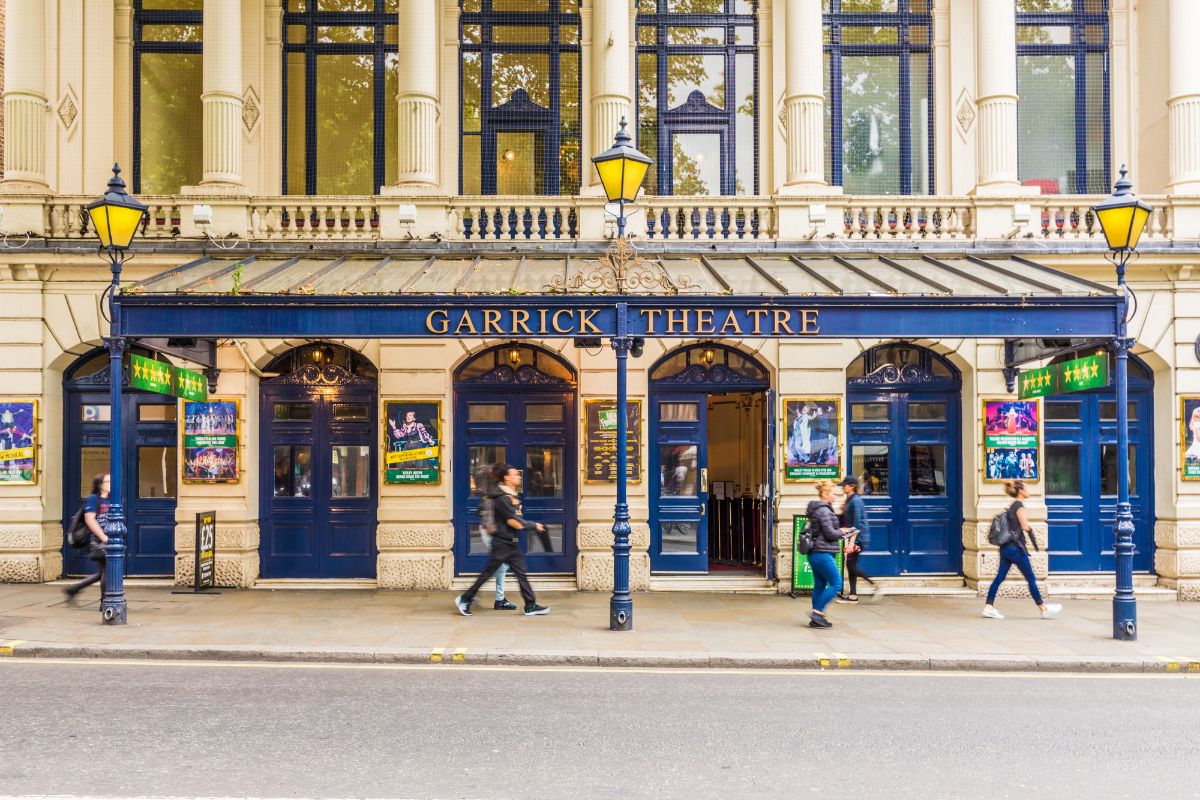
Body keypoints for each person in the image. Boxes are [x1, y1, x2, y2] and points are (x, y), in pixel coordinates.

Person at [456, 463, 549, 617]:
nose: (518, 477)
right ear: (507, 478)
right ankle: (465, 599)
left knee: (520, 573)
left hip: (510, 542)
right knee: (488, 574)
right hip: (502, 543)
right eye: (515, 474)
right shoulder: (502, 498)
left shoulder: (509, 495)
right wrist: (533, 525)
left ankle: (530, 605)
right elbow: (513, 521)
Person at [982, 479, 1063, 620]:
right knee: (1031, 578)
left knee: (999, 577)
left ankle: (988, 607)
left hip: (1006, 548)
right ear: (1020, 491)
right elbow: (1025, 526)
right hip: (1015, 549)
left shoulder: (1012, 506)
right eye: (1026, 488)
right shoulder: (1019, 506)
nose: (1028, 491)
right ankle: (1043, 609)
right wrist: (1030, 531)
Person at [806, 479, 852, 629]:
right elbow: (830, 533)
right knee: (837, 583)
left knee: (820, 585)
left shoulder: (820, 509)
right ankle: (817, 613)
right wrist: (842, 531)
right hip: (822, 552)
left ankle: (816, 619)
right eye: (833, 493)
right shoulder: (824, 510)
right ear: (825, 494)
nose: (835, 496)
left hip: (816, 552)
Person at [63, 473, 110, 604]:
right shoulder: (93, 499)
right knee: (107, 570)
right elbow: (90, 519)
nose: (112, 484)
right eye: (108, 481)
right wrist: (103, 537)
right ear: (100, 485)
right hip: (97, 540)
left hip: (109, 539)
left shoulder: (111, 499)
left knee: (102, 572)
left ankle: (73, 589)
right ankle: (106, 603)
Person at [836, 476, 882, 603]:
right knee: (851, 565)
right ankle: (853, 595)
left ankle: (874, 585)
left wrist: (852, 542)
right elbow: (845, 520)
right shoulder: (850, 499)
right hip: (855, 537)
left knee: (850, 565)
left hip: (859, 538)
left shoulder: (855, 501)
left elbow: (856, 524)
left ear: (852, 486)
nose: (843, 487)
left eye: (845, 485)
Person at [477, 465, 515, 611]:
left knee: (500, 565)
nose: (516, 477)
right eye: (512, 474)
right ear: (505, 477)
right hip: (490, 531)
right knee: (499, 564)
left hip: (496, 531)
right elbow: (486, 514)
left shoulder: (502, 490)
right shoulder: (496, 490)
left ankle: (497, 599)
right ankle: (471, 595)